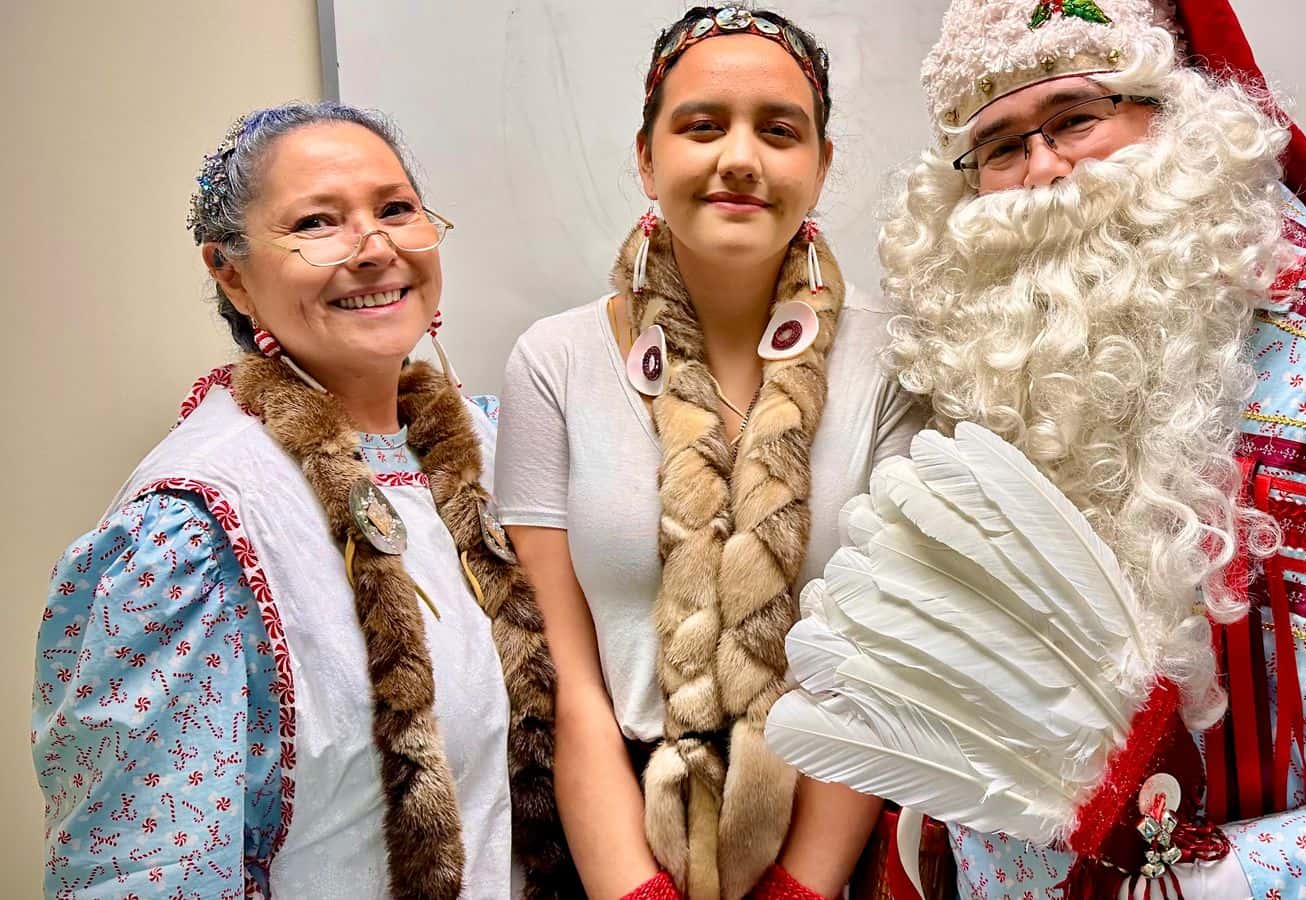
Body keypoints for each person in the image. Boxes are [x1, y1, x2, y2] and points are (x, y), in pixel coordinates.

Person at [860, 0, 1306, 896]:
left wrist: (1259, 878)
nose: (1045, 170)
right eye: (1002, 146)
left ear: (1176, 118)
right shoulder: (979, 374)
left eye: (1077, 119)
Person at [32, 102, 566, 899]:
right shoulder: (194, 530)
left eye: (395, 210)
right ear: (231, 273)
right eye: (318, 223)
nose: (374, 248)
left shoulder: (496, 448)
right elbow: (144, 874)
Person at [493, 6, 924, 899]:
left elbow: (886, 662)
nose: (740, 158)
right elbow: (565, 679)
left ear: (821, 165)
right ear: (648, 158)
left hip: (830, 837)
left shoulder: (899, 361)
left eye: (778, 130)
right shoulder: (556, 359)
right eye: (701, 126)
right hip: (616, 836)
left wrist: (800, 888)